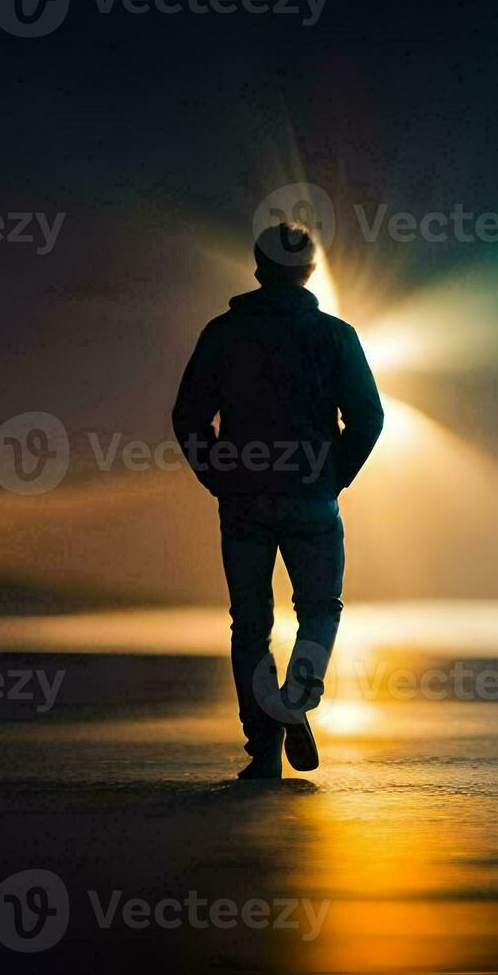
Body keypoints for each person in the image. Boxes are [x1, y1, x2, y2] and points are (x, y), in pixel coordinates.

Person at [172, 222, 384, 779]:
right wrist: (334, 475)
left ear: (259, 269)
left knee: (250, 623)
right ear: (309, 273)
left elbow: (189, 416)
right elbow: (369, 416)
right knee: (319, 611)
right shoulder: (336, 336)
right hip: (312, 497)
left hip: (244, 498)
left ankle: (262, 750)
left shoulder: (223, 333)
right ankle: (294, 697)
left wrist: (217, 474)